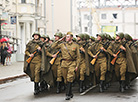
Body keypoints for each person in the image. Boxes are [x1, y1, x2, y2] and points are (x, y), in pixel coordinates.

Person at [51, 32, 80, 100]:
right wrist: (59, 40)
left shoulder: (75, 46)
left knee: (70, 77)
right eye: (66, 37)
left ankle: (67, 94)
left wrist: (77, 66)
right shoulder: (62, 44)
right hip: (64, 63)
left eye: (68, 37)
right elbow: (52, 47)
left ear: (71, 38)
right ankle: (70, 92)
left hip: (72, 63)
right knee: (66, 79)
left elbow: (78, 57)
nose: (66, 38)